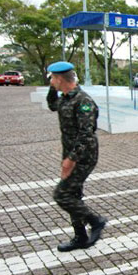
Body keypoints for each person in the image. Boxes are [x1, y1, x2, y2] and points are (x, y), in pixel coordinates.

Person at [45, 61, 107, 252]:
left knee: (62, 195)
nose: (51, 81)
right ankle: (80, 236)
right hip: (71, 152)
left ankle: (96, 221)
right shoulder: (64, 97)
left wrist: (70, 160)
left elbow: (86, 134)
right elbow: (51, 105)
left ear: (60, 78)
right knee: (73, 194)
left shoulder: (83, 101)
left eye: (52, 78)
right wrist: (52, 87)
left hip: (84, 155)